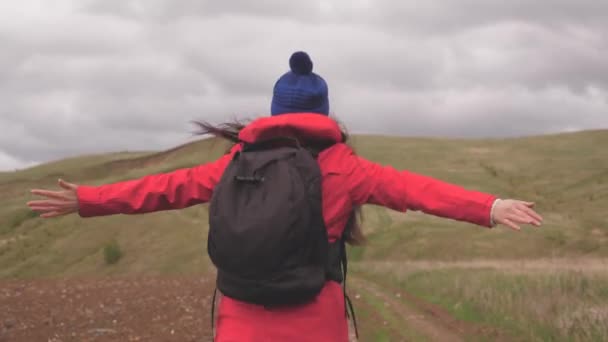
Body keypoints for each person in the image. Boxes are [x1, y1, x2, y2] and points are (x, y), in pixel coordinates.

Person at [27, 51, 543, 342]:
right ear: (324, 111)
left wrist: (88, 200)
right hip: (316, 322)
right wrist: (488, 207)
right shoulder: (345, 168)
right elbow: (416, 190)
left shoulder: (236, 164)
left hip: (240, 323)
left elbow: (162, 190)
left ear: (273, 111)